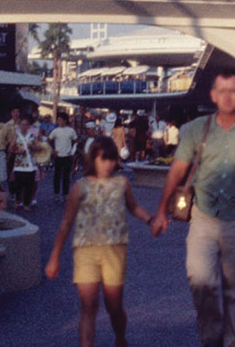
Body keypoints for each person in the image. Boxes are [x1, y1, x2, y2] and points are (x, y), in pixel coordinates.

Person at [150, 69, 235, 347]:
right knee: (200, 279)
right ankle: (210, 339)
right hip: (203, 218)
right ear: (213, 95)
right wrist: (162, 210)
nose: (227, 97)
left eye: (233, 91)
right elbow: (177, 169)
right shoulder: (196, 129)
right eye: (221, 91)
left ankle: (232, 342)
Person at [45, 137, 152, 347]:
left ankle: (120, 338)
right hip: (86, 250)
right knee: (88, 306)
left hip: (114, 250)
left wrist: (151, 219)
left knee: (114, 305)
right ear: (92, 159)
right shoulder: (80, 187)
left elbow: (134, 208)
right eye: (103, 159)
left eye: (112, 160)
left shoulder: (122, 183)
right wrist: (54, 257)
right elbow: (66, 223)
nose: (108, 164)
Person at [10, 116, 39, 211]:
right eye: (22, 124)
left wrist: (33, 147)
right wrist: (17, 152)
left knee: (29, 185)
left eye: (26, 124)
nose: (24, 126)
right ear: (19, 125)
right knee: (18, 184)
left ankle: (27, 203)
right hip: (19, 164)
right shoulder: (16, 136)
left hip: (31, 165)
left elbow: (38, 148)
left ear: (29, 126)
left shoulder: (32, 136)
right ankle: (18, 201)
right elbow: (10, 148)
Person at [49, 111, 78, 201]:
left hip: (67, 157)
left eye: (61, 120)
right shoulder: (55, 131)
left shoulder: (71, 130)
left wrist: (72, 151)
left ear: (65, 121)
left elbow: (76, 141)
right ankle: (56, 194)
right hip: (58, 156)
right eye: (58, 120)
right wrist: (53, 150)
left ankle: (65, 194)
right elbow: (48, 140)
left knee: (66, 177)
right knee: (56, 176)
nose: (59, 122)